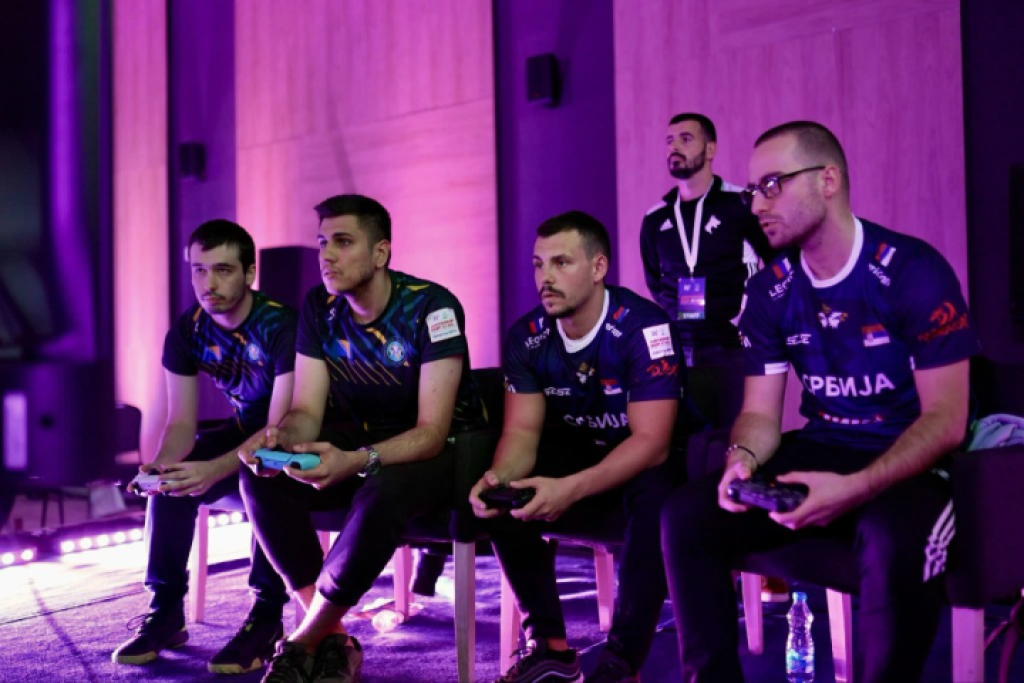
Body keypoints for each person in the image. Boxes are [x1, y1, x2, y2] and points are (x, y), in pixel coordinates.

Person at [661, 121, 980, 682]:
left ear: (827, 181)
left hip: (916, 460)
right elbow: (760, 415)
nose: (757, 204)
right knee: (686, 516)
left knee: (889, 538)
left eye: (773, 185)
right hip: (824, 444)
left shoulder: (913, 272)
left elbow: (947, 421)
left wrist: (853, 488)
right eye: (753, 189)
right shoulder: (769, 291)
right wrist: (743, 460)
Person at [237, 194, 485, 683]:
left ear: (380, 252)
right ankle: (332, 635)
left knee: (381, 492)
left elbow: (432, 433)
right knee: (262, 480)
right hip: (363, 444)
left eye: (343, 242)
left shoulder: (432, 306)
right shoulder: (319, 306)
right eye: (322, 242)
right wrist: (281, 439)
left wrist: (353, 461)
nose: (326, 255)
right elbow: (307, 411)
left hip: (444, 455)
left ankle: (300, 644)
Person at [471, 211, 685, 683]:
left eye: (561, 263)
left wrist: (571, 488)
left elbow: (652, 443)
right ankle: (551, 648)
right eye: (538, 264)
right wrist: (499, 478)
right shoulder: (526, 337)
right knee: (506, 495)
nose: (544, 277)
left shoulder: (644, 327)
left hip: (647, 460)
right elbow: (521, 434)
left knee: (657, 499)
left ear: (598, 267)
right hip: (583, 452)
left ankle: (622, 663)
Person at [113, 220, 294, 674]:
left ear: (249, 273)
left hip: (292, 437)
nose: (208, 283)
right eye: (199, 270)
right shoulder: (188, 329)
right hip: (240, 430)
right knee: (172, 479)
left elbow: (279, 428)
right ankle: (166, 610)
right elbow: (180, 423)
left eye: (222, 270)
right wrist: (160, 467)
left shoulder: (281, 325)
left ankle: (267, 616)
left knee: (266, 473)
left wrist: (213, 470)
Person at [640, 112, 772, 368]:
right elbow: (655, 281)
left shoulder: (741, 203)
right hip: (677, 346)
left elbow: (775, 263)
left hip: (733, 343)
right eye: (669, 141)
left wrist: (749, 315)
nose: (674, 147)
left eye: (686, 139)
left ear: (710, 149)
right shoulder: (655, 218)